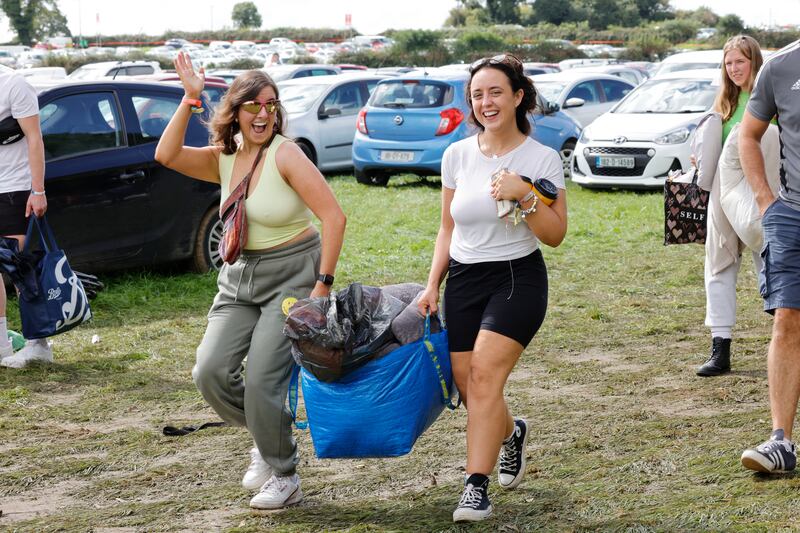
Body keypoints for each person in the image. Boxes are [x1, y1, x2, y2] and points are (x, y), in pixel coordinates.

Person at [155, 52, 346, 508]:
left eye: (271, 105)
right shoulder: (224, 158)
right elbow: (165, 154)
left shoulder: (288, 155)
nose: (264, 114)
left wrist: (321, 287)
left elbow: (334, 218)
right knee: (210, 371)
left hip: (292, 274)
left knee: (262, 379)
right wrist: (189, 98)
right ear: (235, 111)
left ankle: (284, 475)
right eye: (253, 106)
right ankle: (267, 435)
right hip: (238, 276)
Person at [417, 54, 567, 522]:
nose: (487, 102)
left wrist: (524, 192)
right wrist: (432, 284)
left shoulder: (541, 159)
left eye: (496, 92)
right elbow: (447, 228)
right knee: (470, 387)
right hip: (463, 278)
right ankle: (511, 432)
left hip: (516, 277)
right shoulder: (456, 155)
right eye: (478, 94)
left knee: (483, 379)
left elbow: (556, 233)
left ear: (518, 97)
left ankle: (474, 487)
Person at [739, 38, 800, 474]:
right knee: (787, 319)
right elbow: (748, 134)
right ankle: (781, 442)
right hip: (792, 215)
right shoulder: (779, 67)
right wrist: (766, 201)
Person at [694, 35, 766, 377]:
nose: (735, 69)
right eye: (729, 63)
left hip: (763, 193)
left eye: (740, 61)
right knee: (719, 268)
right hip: (723, 197)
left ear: (754, 61)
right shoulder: (722, 104)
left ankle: (786, 339)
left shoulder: (769, 99)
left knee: (770, 264)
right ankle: (720, 348)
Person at [0, 65, 49, 369]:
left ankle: (38, 345)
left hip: (15, 189)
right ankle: (2, 344)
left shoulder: (14, 84)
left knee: (19, 268)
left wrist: (38, 189)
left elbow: (34, 138)